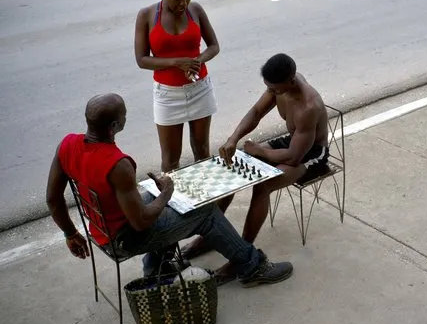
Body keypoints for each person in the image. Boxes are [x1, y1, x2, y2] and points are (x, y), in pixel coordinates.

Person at [45, 93, 293, 288]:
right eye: (124, 114)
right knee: (204, 210)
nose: (126, 117)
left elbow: (53, 199)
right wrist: (166, 192)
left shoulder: (67, 144)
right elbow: (141, 222)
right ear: (115, 125)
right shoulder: (117, 164)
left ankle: (157, 268)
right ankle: (252, 267)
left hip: (101, 230)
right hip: (125, 238)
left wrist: (70, 233)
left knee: (156, 196)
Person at [181, 53, 329, 263]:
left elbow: (294, 157)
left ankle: (242, 254)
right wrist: (233, 139)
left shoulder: (308, 106)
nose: (272, 92)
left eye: (275, 89)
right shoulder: (277, 86)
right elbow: (257, 111)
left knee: (263, 186)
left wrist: (259, 151)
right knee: (231, 168)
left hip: (311, 154)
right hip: (292, 141)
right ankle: (207, 237)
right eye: (269, 88)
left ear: (291, 80)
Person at [134, 0, 220, 173]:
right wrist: (176, 62)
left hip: (200, 89)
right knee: (171, 160)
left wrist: (198, 60)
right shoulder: (146, 16)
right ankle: (172, 203)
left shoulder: (195, 10)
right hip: (167, 96)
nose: (183, 3)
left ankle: (204, 203)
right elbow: (142, 60)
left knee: (202, 151)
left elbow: (214, 46)